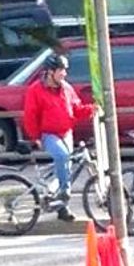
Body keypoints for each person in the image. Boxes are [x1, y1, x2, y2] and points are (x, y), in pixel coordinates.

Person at [22, 53, 94, 222]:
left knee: (65, 169)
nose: (64, 74)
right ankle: (65, 192)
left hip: (66, 132)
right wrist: (35, 137)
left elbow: (76, 109)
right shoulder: (36, 90)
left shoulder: (66, 88)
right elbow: (30, 115)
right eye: (61, 70)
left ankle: (62, 208)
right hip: (48, 134)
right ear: (50, 72)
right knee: (62, 156)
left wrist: (91, 109)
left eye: (64, 70)